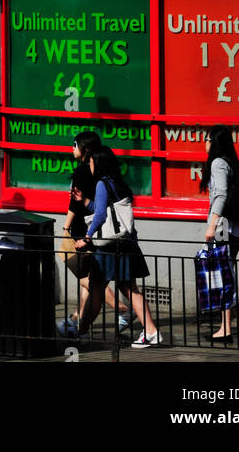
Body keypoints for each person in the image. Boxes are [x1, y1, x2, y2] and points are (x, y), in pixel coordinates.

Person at [75, 146, 161, 348]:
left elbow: (101, 216)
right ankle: (150, 331)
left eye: (92, 162)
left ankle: (81, 331)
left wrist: (87, 237)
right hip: (126, 244)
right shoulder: (117, 183)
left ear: (98, 163)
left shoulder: (102, 184)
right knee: (129, 288)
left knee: (97, 288)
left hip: (109, 247)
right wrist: (85, 201)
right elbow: (106, 210)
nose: (90, 165)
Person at [61, 131, 130, 337]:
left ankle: (122, 310)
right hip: (95, 229)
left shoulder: (83, 171)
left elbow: (76, 203)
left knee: (89, 278)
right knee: (90, 279)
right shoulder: (98, 173)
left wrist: (66, 228)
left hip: (86, 229)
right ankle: (79, 320)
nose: (72, 148)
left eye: (75, 145)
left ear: (85, 148)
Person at [200, 124, 239, 339]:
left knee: (222, 277)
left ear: (214, 142)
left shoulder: (218, 163)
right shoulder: (227, 162)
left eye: (207, 139)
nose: (204, 143)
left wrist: (212, 225)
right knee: (223, 275)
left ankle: (227, 328)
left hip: (225, 226)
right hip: (232, 225)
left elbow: (221, 195)